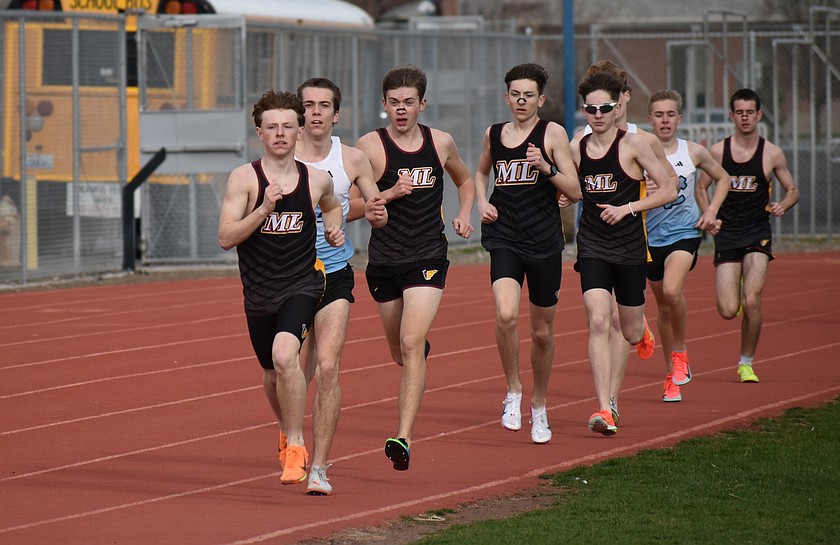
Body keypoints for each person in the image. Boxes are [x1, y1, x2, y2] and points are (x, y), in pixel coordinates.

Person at [218, 90, 344, 486]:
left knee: (286, 355)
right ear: (260, 133)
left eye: (288, 126)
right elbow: (225, 237)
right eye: (272, 127)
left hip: (301, 286)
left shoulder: (316, 180)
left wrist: (334, 226)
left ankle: (295, 444)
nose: (280, 134)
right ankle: (286, 425)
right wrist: (263, 210)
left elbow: (333, 204)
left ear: (298, 130)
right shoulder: (244, 178)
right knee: (273, 373)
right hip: (258, 293)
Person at [355, 65, 475, 470]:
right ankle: (417, 354)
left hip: (427, 255)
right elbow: (355, 205)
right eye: (394, 102)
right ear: (383, 104)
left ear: (422, 104)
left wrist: (466, 213)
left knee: (409, 343)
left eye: (409, 102)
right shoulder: (369, 147)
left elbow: (465, 179)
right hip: (384, 259)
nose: (401, 109)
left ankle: (403, 437)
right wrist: (385, 197)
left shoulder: (440, 143)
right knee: (401, 352)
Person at [567, 60, 679, 426]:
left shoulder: (635, 144)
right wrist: (565, 196)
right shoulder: (576, 147)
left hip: (630, 247)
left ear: (618, 107)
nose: (597, 114)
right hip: (593, 245)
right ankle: (605, 406)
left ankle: (640, 328)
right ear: (584, 109)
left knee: (628, 329)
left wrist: (629, 207)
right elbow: (569, 189)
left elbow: (670, 188)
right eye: (590, 108)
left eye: (605, 108)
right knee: (599, 321)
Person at [473, 63, 581, 444]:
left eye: (528, 95)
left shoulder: (552, 133)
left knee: (541, 331)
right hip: (504, 236)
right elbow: (481, 172)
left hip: (544, 241)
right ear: (506, 97)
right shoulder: (494, 135)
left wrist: (546, 167)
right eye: (515, 94)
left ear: (541, 99)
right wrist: (482, 202)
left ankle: (539, 405)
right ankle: (514, 392)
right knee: (504, 314)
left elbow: (576, 188)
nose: (521, 100)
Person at [293, 78, 387, 495]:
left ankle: (319, 467)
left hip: (334, 275)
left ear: (336, 114)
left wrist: (377, 212)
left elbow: (376, 206)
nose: (315, 112)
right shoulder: (281, 157)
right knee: (290, 370)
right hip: (288, 279)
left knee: (327, 367)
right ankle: (291, 438)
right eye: (308, 105)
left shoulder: (351, 159)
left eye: (323, 105)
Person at [696, 88, 799, 384]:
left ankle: (746, 363)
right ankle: (738, 288)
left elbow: (792, 189)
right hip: (728, 234)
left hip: (758, 233)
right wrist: (709, 214)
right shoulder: (718, 151)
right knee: (728, 310)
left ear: (758, 115)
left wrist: (784, 204)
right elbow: (702, 187)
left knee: (752, 301)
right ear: (732, 116)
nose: (744, 117)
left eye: (749, 112)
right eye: (739, 112)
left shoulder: (771, 153)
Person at [646, 89, 730, 402]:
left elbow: (723, 178)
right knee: (663, 308)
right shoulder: (641, 151)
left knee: (671, 290)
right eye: (658, 115)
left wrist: (710, 210)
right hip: (649, 239)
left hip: (684, 233)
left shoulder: (693, 151)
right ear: (650, 119)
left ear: (680, 118)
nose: (665, 120)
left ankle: (680, 353)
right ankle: (670, 373)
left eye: (670, 114)